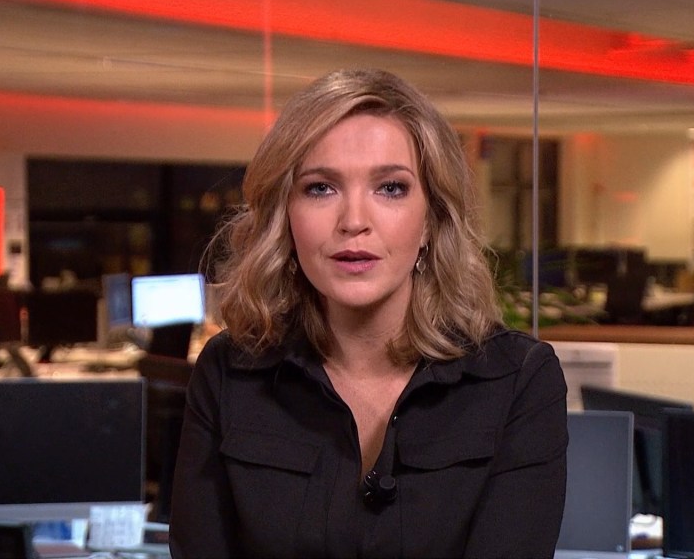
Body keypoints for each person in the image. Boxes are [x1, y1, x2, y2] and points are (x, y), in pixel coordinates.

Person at [169, 68, 569, 558]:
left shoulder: (517, 380)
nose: (354, 221)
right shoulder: (228, 374)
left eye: (391, 188)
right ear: (285, 216)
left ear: (431, 220)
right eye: (320, 188)